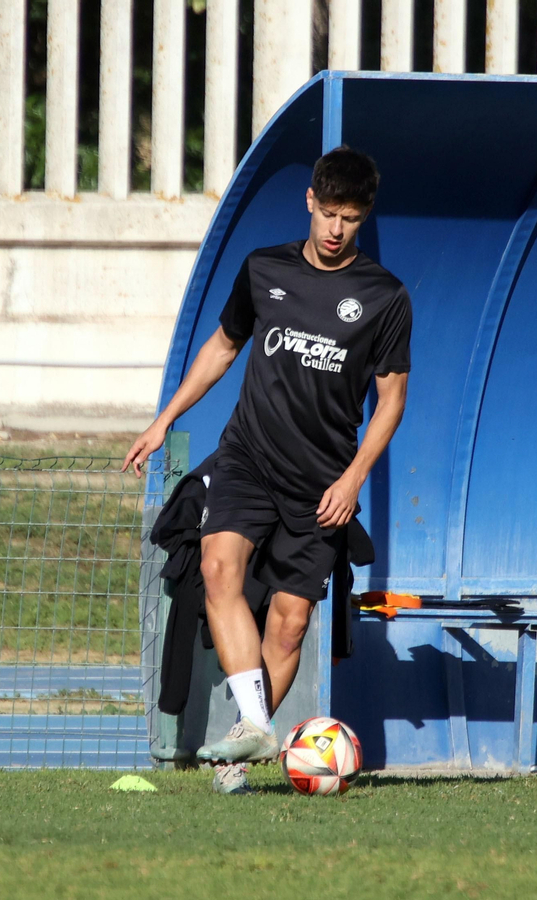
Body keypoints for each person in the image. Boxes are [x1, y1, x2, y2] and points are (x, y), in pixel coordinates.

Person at [123, 147, 412, 793]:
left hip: (322, 482)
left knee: (288, 623)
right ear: (309, 201)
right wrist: (163, 419)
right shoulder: (263, 269)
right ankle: (255, 724)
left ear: (363, 219)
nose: (336, 230)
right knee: (216, 567)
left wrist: (354, 477)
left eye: (351, 220)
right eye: (329, 213)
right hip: (248, 457)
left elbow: (391, 400)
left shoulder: (384, 297)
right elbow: (223, 347)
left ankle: (240, 749)